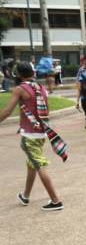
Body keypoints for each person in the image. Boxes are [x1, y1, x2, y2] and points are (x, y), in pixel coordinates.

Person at [0, 62, 63, 211]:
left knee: (38, 164)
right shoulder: (40, 87)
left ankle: (56, 201)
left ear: (19, 74)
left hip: (30, 135)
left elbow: (8, 111)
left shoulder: (20, 89)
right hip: (41, 132)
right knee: (32, 163)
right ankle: (25, 196)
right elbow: (41, 109)